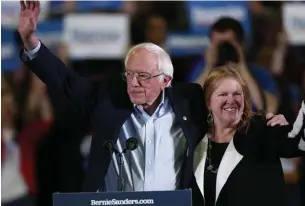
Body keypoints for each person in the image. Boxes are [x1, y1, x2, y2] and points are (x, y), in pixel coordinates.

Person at [18, 0, 208, 192]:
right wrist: (30, 42)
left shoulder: (189, 101)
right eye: (129, 75)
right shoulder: (109, 98)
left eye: (143, 76)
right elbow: (66, 81)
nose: (133, 83)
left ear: (165, 80)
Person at [191, 58, 305, 206]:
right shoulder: (195, 140)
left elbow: (301, 142)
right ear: (208, 102)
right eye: (223, 94)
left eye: (237, 94)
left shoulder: (262, 128)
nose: (231, 100)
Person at [188, 17, 279, 113]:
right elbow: (190, 104)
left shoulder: (259, 73)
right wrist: (208, 67)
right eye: (218, 45)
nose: (223, 50)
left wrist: (242, 68)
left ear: (241, 45)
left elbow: (267, 108)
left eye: (227, 45)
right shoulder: (202, 69)